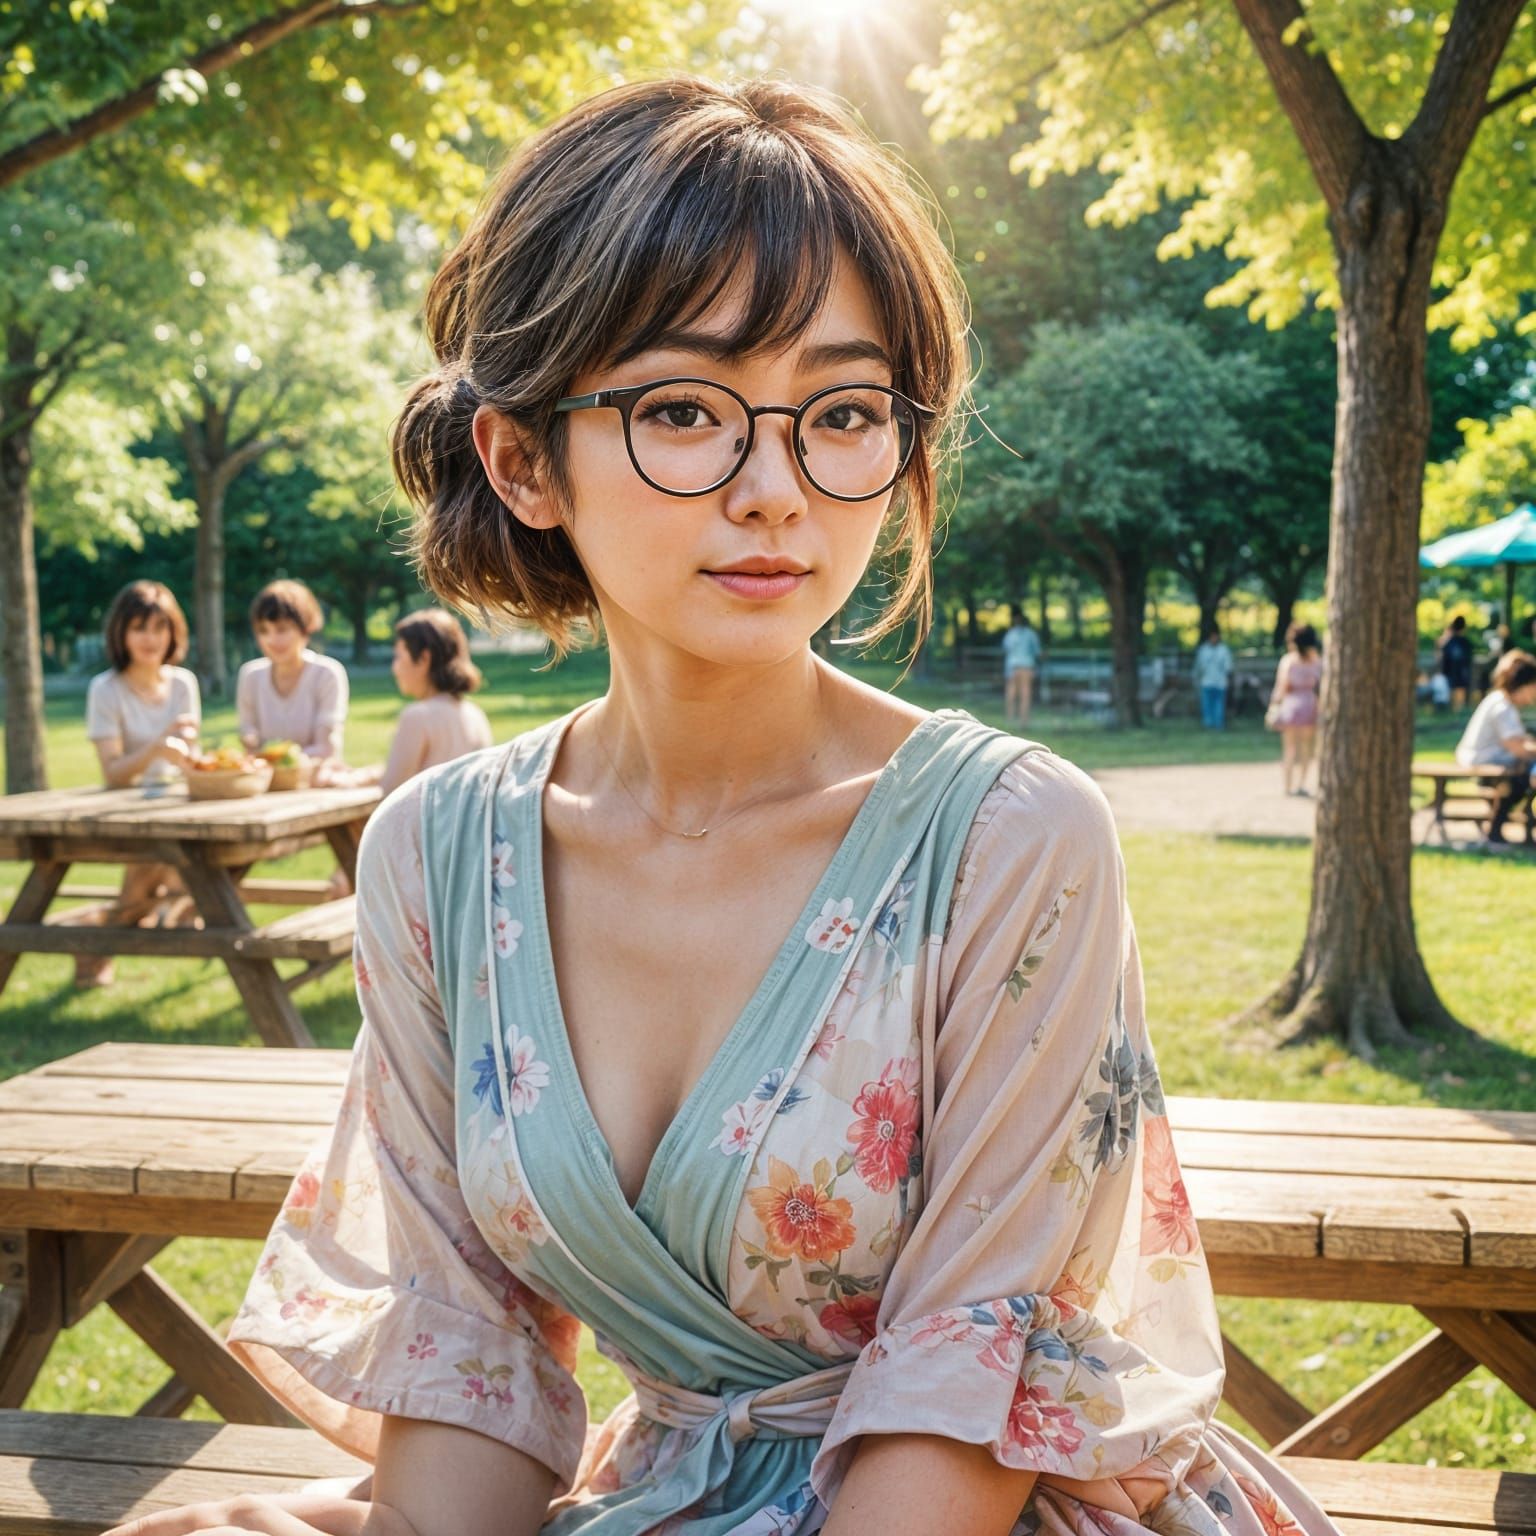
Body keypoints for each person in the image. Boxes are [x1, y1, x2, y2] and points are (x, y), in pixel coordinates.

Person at [123, 78, 1341, 1536]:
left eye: (839, 413)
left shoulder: (1012, 840)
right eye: (686, 410)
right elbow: (472, 1364)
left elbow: (968, 1402)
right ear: (521, 459)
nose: (778, 490)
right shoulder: (438, 858)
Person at [76, 581, 201, 988]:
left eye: (160, 628)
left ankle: (94, 937)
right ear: (121, 634)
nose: (151, 639)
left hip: (181, 805)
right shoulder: (106, 689)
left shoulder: (182, 683)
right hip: (127, 810)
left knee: (196, 871)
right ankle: (95, 937)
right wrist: (156, 747)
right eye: (140, 628)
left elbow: (190, 760)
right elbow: (112, 773)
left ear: (173, 633)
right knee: (161, 873)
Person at [364, 608, 495, 797]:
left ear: (424, 659)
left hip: (426, 826)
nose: (395, 668)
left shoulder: (418, 717)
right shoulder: (474, 714)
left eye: (399, 657)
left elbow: (391, 793)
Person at [236, 579, 350, 779]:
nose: (272, 640)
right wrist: (249, 741)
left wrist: (272, 758)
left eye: (282, 629)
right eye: (263, 631)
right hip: (267, 787)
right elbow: (249, 738)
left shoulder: (327, 674)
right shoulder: (250, 676)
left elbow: (326, 749)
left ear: (305, 629)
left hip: (317, 784)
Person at [1455, 648, 1536, 845]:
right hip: (1481, 760)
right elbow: (1516, 747)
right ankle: (1496, 831)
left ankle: (1502, 828)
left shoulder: (1502, 702)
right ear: (1524, 685)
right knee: (1521, 778)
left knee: (1524, 775)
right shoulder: (1502, 706)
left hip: (1486, 758)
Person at [1268, 622, 1323, 797]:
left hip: (1291, 705)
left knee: (1289, 748)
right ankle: (1301, 784)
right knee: (1306, 748)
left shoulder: (1288, 661)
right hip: (1310, 704)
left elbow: (1281, 687)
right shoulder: (1317, 661)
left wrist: (1274, 705)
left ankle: (1287, 785)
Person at [1000, 604, 1042, 725]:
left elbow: (1006, 649)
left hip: (1013, 666)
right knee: (1025, 694)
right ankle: (1024, 720)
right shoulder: (1031, 634)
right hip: (1027, 667)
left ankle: (1010, 718)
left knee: (1011, 693)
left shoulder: (1010, 634)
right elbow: (1037, 652)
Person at [1192, 624, 1233, 730]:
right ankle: (1208, 724)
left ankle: (1218, 724)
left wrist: (1228, 680)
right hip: (1206, 682)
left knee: (1219, 705)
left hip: (1220, 682)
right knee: (1207, 705)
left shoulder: (1223, 650)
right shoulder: (1204, 650)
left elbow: (1228, 667)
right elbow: (1199, 667)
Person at [1436, 614, 1473, 711]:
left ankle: (1455, 710)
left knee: (1454, 690)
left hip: (1450, 673)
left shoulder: (1448, 642)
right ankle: (1457, 710)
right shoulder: (1464, 642)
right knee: (1458, 691)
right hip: (1459, 673)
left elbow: (1441, 658)